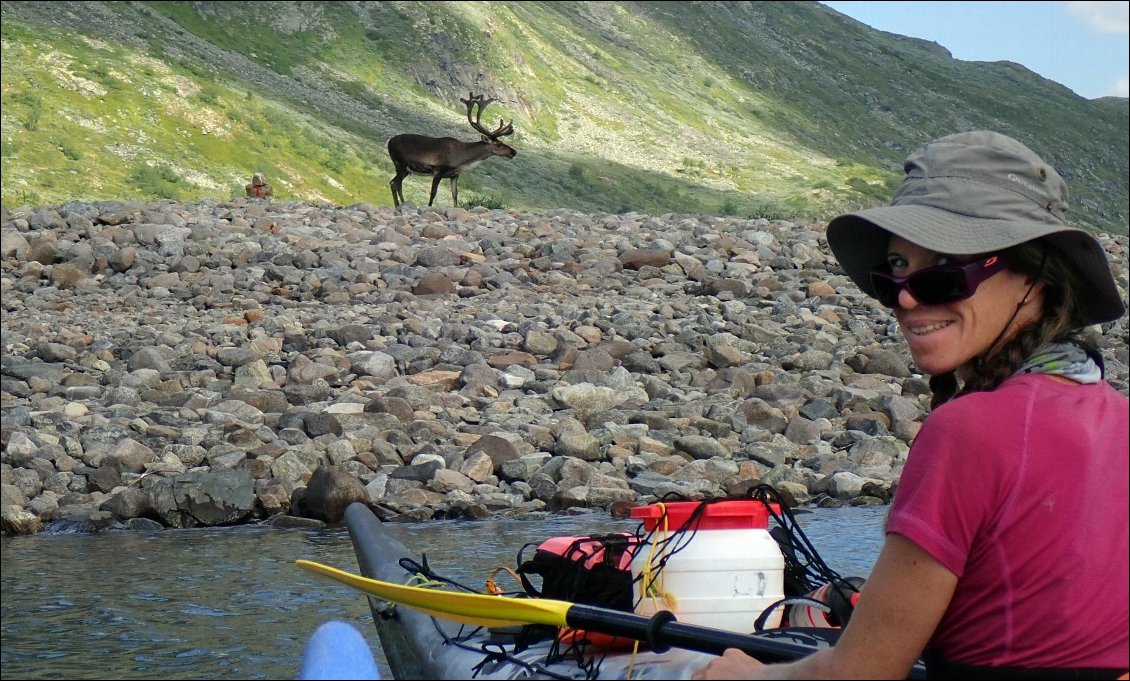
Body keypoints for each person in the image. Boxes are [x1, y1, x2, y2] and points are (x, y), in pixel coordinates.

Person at [693, 131, 1128, 679]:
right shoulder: (1119, 417)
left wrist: (747, 676)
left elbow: (860, 674)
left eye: (945, 270)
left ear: (1035, 278)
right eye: (895, 269)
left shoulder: (971, 429)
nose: (905, 296)